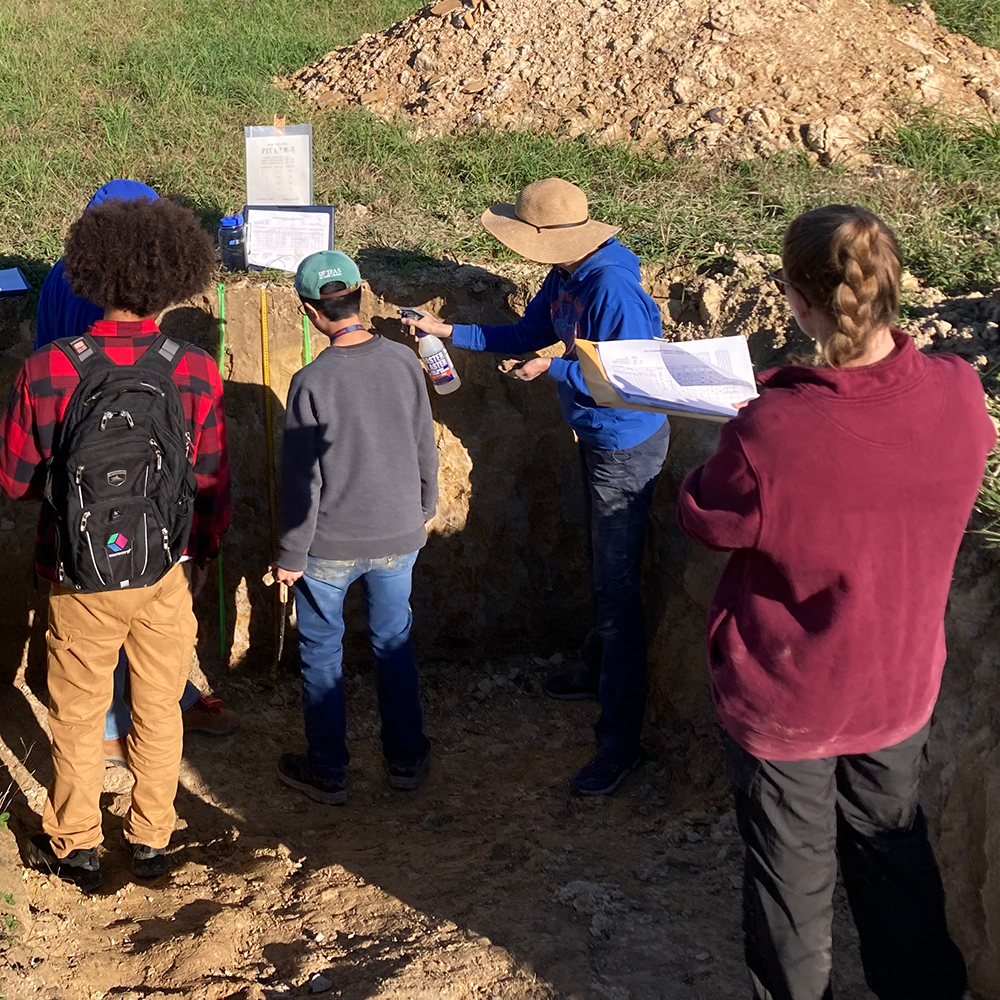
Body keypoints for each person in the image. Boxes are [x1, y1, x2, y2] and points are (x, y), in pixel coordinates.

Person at [677, 205, 995, 1000]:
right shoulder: (961, 392)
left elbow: (711, 518)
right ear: (895, 288)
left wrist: (742, 435)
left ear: (795, 300)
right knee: (894, 854)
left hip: (792, 701)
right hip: (897, 687)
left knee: (794, 888)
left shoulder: (772, 431)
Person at [403, 177, 669, 796]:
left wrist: (556, 370)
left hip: (625, 444)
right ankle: (594, 668)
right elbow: (526, 333)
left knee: (619, 589)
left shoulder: (613, 288)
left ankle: (619, 741)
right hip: (598, 436)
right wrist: (450, 334)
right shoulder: (570, 276)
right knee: (601, 566)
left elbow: (633, 375)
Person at [0, 196, 231, 890]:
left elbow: (13, 480)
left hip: (76, 573)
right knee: (160, 705)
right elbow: (213, 479)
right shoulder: (194, 369)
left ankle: (75, 844)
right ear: (173, 280)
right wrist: (202, 555)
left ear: (88, 273)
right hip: (164, 570)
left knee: (76, 711)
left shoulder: (46, 369)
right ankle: (153, 838)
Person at [34, 179, 238, 763]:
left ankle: (141, 708)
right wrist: (204, 544)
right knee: (131, 571)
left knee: (98, 570)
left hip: (74, 451)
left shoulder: (59, 276)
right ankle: (120, 723)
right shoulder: (128, 298)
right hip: (122, 444)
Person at [272, 251, 437, 805]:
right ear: (361, 297)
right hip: (398, 535)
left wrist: (290, 555)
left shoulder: (310, 381)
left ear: (309, 312)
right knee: (394, 642)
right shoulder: (403, 363)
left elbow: (302, 479)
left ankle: (328, 771)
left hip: (329, 548)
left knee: (322, 653)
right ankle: (406, 760)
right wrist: (425, 506)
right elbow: (423, 444)